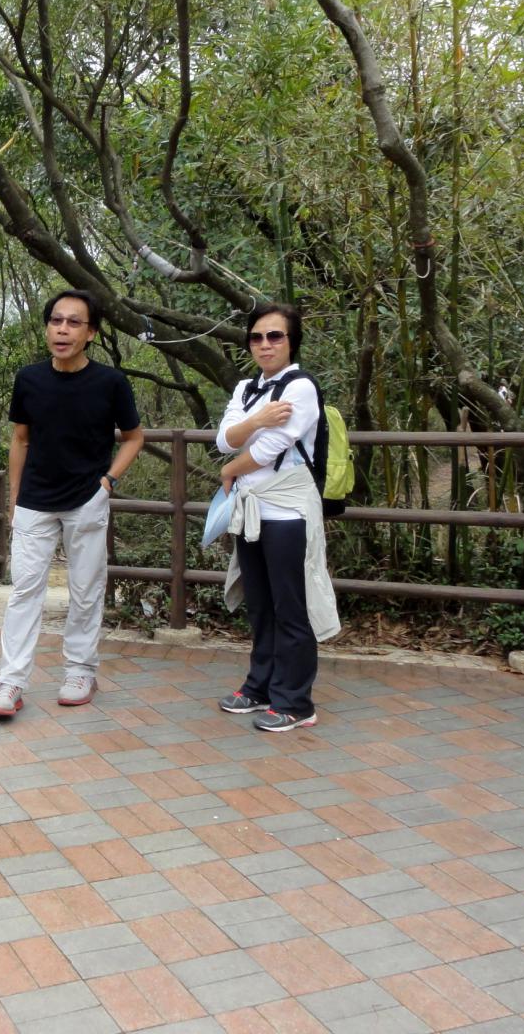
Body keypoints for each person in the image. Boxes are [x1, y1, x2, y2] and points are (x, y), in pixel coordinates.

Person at [0, 290, 144, 717]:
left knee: (86, 590)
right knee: (24, 590)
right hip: (34, 501)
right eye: (56, 321)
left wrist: (107, 483)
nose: (62, 330)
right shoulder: (29, 379)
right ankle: (10, 681)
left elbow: (134, 438)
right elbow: (20, 439)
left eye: (74, 323)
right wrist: (15, 498)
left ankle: (80, 671)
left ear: (91, 333)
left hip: (86, 500)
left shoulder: (110, 382)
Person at [214, 302, 340, 733]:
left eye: (275, 336)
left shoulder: (301, 387)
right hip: (252, 509)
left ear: (291, 341)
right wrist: (258, 419)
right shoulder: (247, 388)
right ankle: (261, 686)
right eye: (256, 337)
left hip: (287, 509)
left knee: (290, 605)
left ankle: (295, 701)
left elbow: (269, 448)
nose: (264, 344)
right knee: (261, 603)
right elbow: (224, 439)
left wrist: (230, 469)